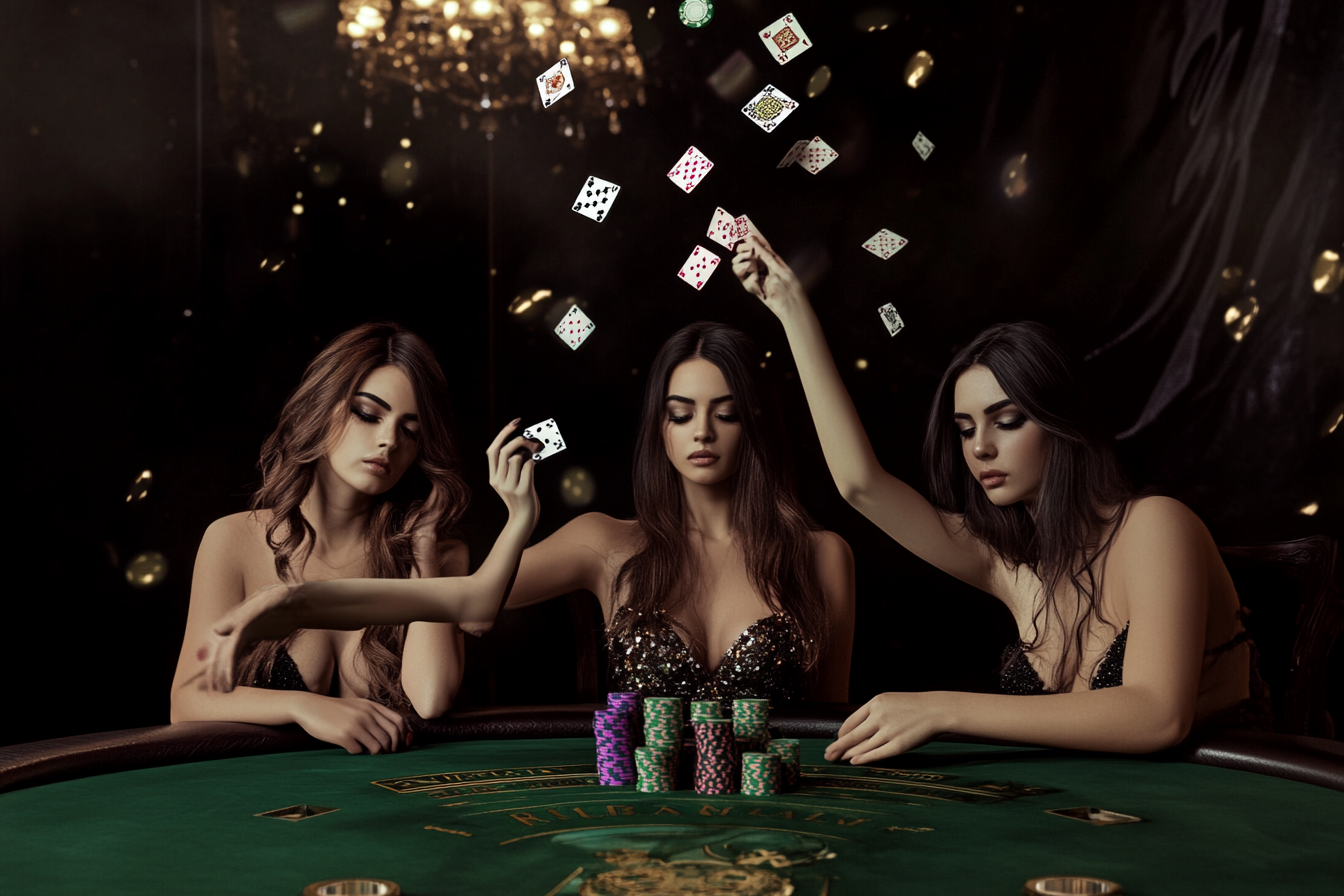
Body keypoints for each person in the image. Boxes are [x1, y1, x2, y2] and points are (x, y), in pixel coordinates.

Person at [732, 231, 1265, 764]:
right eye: (965, 429)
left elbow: (1157, 714)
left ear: (1061, 425)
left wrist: (945, 710)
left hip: (1226, 811)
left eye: (1006, 421)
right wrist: (789, 307)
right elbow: (861, 485)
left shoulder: (1155, 525)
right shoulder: (1009, 565)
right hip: (1089, 816)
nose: (981, 447)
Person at [173, 322, 540, 754]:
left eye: (411, 431)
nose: (388, 441)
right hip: (264, 804)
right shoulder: (232, 540)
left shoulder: (438, 553)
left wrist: (423, 549)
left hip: (393, 803)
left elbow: (431, 697)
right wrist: (303, 707)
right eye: (367, 414)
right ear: (320, 408)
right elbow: (188, 699)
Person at [504, 321, 855, 704]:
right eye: (681, 415)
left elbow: (828, 729)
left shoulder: (821, 555)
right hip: (639, 767)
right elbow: (471, 605)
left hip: (775, 766)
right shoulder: (603, 542)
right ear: (660, 425)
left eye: (727, 414)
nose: (702, 431)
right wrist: (514, 521)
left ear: (755, 422)